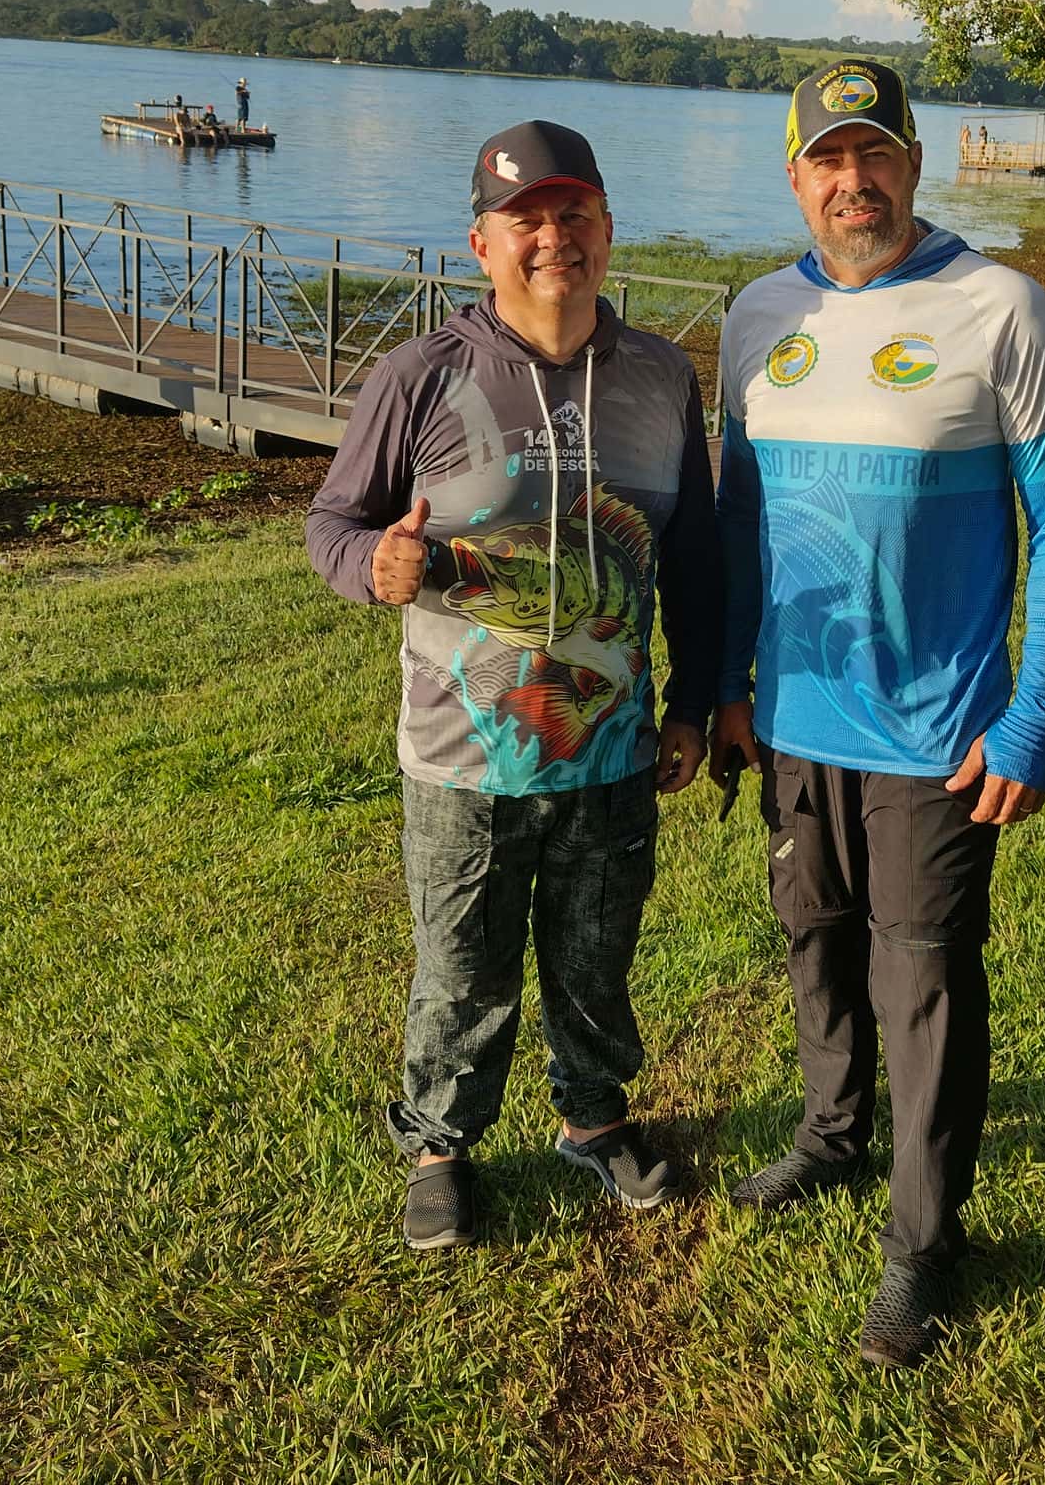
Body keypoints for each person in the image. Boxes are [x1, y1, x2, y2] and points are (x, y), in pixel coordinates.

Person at [710, 59, 1045, 1368]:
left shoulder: (1003, 308)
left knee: (920, 977)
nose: (853, 180)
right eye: (828, 159)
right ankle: (830, 1138)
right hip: (792, 716)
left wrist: (1033, 714)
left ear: (915, 164)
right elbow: (740, 520)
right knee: (815, 939)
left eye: (874, 153)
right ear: (796, 179)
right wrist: (726, 685)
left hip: (937, 729)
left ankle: (923, 1248)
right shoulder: (757, 315)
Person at [305, 119, 722, 1251]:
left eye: (572, 214)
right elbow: (333, 523)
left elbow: (691, 558)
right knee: (462, 971)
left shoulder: (660, 376)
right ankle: (441, 1146)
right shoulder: (421, 375)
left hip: (615, 750)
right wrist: (374, 565)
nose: (552, 239)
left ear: (607, 229)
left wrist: (693, 702)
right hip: (462, 758)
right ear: (480, 243)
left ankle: (593, 1120)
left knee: (597, 959)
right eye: (524, 220)